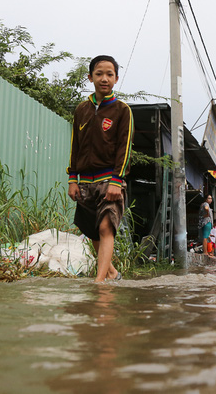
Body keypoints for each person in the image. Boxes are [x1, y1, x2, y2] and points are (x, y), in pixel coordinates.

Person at [67, 55, 134, 282]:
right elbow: (74, 146)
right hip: (85, 180)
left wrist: (117, 180)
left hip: (110, 179)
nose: (104, 79)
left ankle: (100, 282)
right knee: (92, 231)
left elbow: (124, 148)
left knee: (106, 226)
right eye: (99, 74)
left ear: (116, 79)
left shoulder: (122, 110)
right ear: (90, 77)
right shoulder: (81, 110)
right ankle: (112, 272)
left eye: (109, 74)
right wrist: (72, 179)